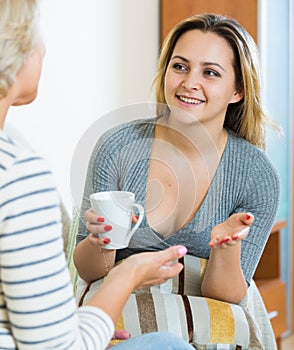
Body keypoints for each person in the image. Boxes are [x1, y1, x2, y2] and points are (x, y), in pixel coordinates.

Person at [0, 1, 196, 349]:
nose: (43, 50)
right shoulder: (19, 172)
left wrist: (87, 324)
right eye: (36, 38)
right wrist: (128, 274)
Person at [74, 12, 280, 309]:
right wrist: (99, 241)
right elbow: (90, 272)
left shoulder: (257, 176)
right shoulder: (117, 146)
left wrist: (226, 249)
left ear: (238, 90)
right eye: (180, 66)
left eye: (210, 73)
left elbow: (227, 297)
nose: (189, 83)